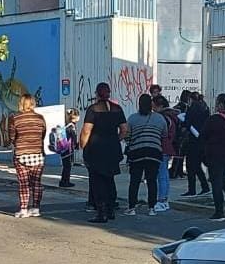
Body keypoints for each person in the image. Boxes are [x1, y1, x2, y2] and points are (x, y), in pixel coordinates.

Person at [80, 83, 128, 224]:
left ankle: (101, 212)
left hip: (96, 149)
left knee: (97, 180)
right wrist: (115, 139)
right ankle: (110, 209)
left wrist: (82, 145)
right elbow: (124, 130)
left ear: (97, 94)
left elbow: (86, 130)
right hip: (112, 149)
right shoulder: (117, 109)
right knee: (109, 179)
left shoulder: (93, 109)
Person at [124, 94, 166, 216]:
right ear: (151, 104)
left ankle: (131, 208)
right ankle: (152, 208)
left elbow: (127, 136)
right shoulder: (159, 118)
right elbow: (164, 134)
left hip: (137, 153)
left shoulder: (132, 119)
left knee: (135, 181)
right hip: (154, 152)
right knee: (152, 181)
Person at [9, 93, 47, 219]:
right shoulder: (40, 118)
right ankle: (36, 208)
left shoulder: (15, 118)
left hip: (21, 154)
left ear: (21, 103)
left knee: (24, 183)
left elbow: (12, 137)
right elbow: (43, 134)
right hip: (38, 154)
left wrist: (18, 143)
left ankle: (23, 209)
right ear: (33, 104)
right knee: (36, 183)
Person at [181, 92, 210, 197]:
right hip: (203, 140)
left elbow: (187, 124)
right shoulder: (205, 108)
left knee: (190, 165)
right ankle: (205, 186)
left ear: (190, 99)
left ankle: (192, 189)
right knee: (197, 165)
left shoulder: (192, 109)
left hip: (193, 140)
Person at [152, 95, 178, 212]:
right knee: (164, 175)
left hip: (162, 148)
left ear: (160, 106)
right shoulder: (172, 116)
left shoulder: (162, 118)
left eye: (154, 106)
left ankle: (161, 200)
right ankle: (164, 199)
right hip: (168, 148)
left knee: (161, 175)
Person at [170, 89, 190, 179]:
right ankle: (176, 172)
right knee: (180, 154)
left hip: (177, 133)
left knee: (180, 153)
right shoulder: (185, 108)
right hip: (182, 133)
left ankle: (179, 171)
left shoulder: (176, 107)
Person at [59, 108, 80, 188]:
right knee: (67, 166)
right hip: (68, 149)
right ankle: (65, 181)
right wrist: (76, 144)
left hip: (63, 149)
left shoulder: (66, 125)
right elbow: (73, 137)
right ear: (75, 117)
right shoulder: (71, 126)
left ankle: (64, 180)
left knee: (66, 166)